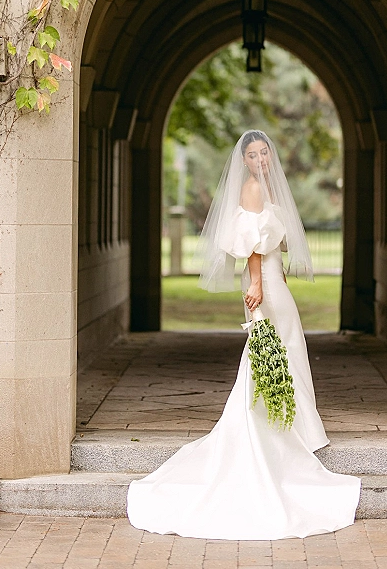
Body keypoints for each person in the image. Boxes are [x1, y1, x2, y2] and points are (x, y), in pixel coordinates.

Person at [127, 130, 361, 539]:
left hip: (274, 278)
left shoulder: (267, 188)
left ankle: (292, 424)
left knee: (285, 348)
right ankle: (271, 424)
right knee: (274, 347)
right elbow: (253, 243)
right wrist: (257, 284)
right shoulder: (253, 189)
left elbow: (272, 243)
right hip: (263, 282)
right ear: (244, 160)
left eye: (263, 152)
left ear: (271, 155)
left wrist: (275, 275)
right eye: (251, 154)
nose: (258, 160)